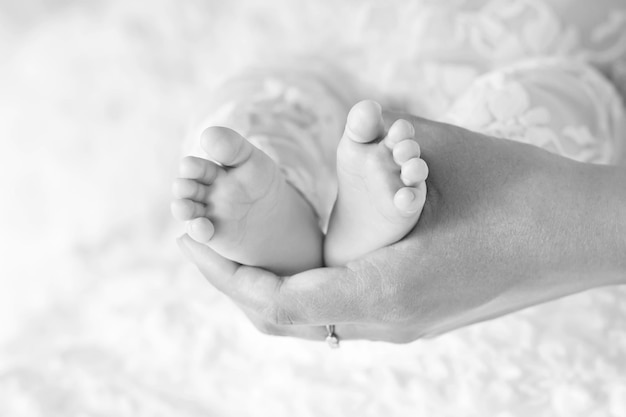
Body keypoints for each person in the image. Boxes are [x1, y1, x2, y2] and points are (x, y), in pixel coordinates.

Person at [172, 0, 626, 343]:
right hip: (346, 64)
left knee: (540, 99)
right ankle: (287, 210)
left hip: (551, 54)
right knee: (260, 102)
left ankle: (387, 216)